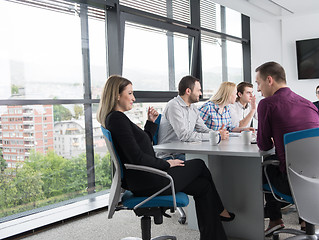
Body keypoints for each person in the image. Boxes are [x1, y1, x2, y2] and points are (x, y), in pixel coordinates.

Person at [97, 75, 235, 240]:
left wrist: (150, 123)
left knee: (203, 186)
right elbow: (137, 157)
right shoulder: (117, 119)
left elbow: (142, 145)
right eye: (130, 93)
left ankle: (214, 236)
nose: (134, 98)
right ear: (117, 95)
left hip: (147, 177)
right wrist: (166, 164)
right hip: (149, 181)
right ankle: (219, 211)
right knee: (199, 165)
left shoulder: (118, 119)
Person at [255, 62, 319, 236]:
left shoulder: (267, 104)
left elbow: (264, 145)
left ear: (269, 80)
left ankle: (275, 220)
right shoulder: (310, 104)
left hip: (292, 183)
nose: (258, 90)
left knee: (265, 166)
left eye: (258, 84)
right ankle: (306, 220)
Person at [157, 75, 229, 160]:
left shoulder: (193, 108)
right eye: (198, 90)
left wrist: (216, 133)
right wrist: (216, 136)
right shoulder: (173, 105)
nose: (201, 93)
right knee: (203, 163)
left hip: (184, 152)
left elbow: (203, 129)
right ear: (188, 91)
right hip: (169, 156)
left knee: (210, 161)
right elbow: (184, 135)